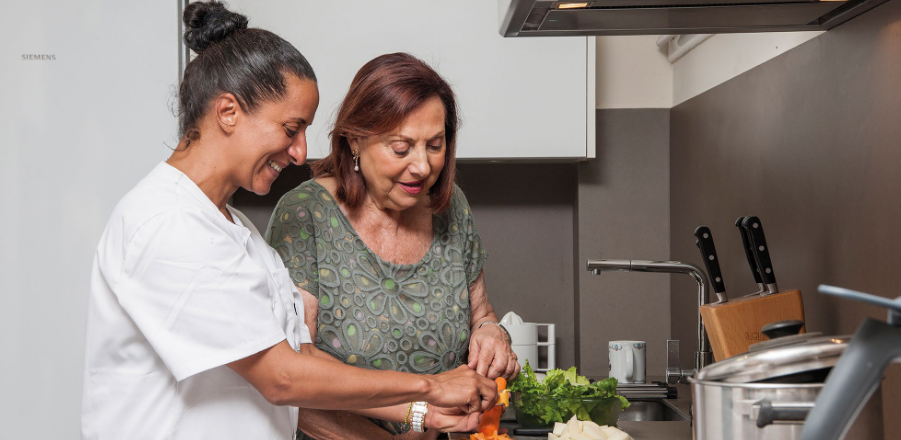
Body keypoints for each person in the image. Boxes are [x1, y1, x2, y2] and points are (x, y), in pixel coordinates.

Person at [81, 4, 496, 440]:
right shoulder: (166, 223)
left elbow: (304, 359)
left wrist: (422, 414)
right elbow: (281, 378)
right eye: (291, 128)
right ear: (228, 112)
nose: (300, 152)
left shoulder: (233, 228)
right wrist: (431, 386)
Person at [265, 53, 519, 440]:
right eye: (401, 148)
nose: (422, 166)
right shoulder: (306, 216)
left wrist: (491, 334)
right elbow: (293, 376)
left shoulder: (450, 209)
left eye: (435, 145)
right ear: (355, 140)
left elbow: (481, 313)